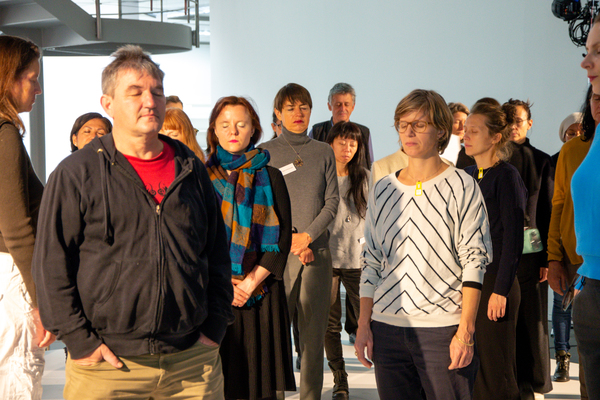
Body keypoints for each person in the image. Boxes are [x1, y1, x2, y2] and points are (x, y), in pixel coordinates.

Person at [32, 45, 234, 400]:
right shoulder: (76, 173)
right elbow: (51, 265)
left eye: (157, 91)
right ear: (108, 103)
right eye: (135, 92)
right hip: (106, 367)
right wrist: (80, 341)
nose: (150, 101)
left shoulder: (191, 169)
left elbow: (216, 253)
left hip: (191, 364)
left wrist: (215, 325)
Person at [355, 89, 492, 400]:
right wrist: (364, 324)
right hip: (387, 327)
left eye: (419, 124)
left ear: (441, 130)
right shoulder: (383, 189)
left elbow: (475, 260)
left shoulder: (462, 185)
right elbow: (371, 260)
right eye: (403, 125)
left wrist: (466, 331)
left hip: (443, 330)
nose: (409, 132)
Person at [204, 96, 296, 400]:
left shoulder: (271, 176)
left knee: (259, 386)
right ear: (214, 130)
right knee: (217, 386)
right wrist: (224, 285)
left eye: (241, 124)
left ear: (253, 129)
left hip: (260, 294)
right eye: (225, 125)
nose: (233, 131)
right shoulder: (201, 177)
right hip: (214, 295)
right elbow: (195, 240)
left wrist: (249, 283)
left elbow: (282, 239)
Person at [259, 83, 339, 400]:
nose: (298, 113)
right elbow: (262, 205)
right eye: (290, 108)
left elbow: (332, 202)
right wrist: (290, 239)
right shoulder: (264, 153)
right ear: (278, 113)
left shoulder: (323, 151)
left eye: (304, 107)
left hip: (316, 254)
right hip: (276, 257)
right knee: (276, 337)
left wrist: (307, 237)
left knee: (313, 339)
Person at [0, 34, 55, 400]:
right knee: (17, 377)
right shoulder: (4, 134)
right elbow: (17, 228)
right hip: (12, 275)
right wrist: (41, 301)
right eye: (32, 78)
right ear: (8, 78)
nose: (37, 89)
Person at [463, 102, 527, 400]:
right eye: (466, 130)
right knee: (472, 369)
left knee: (496, 371)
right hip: (469, 282)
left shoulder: (507, 176)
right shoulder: (465, 174)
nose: (466, 135)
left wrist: (500, 290)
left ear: (495, 137)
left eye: (474, 131)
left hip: (495, 283)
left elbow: (513, 239)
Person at [503, 98, 554, 398]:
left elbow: (547, 210)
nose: (513, 127)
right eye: (508, 121)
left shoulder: (541, 160)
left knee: (532, 323)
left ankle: (531, 384)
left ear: (529, 124)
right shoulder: (493, 159)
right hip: (498, 253)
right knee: (503, 322)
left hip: (532, 256)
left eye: (518, 121)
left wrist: (548, 257)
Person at [547, 89, 597, 395]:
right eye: (596, 98)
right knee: (590, 362)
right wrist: (554, 257)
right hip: (577, 261)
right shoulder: (572, 150)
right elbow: (559, 203)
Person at [323, 121, 369, 400]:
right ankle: (340, 378)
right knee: (330, 325)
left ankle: (384, 368)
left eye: (352, 143)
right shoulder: (322, 176)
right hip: (327, 259)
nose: (347, 148)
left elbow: (374, 220)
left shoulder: (365, 177)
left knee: (367, 318)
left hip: (358, 261)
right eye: (342, 141)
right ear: (330, 143)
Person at [571, 18, 600, 398]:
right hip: (591, 289)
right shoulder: (597, 135)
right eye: (588, 50)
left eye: (599, 51)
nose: (585, 62)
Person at [310, 82, 374, 169]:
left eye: (347, 104)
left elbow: (370, 164)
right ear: (329, 106)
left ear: (353, 107)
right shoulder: (317, 132)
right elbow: (308, 162)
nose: (343, 109)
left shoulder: (364, 133)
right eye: (338, 105)